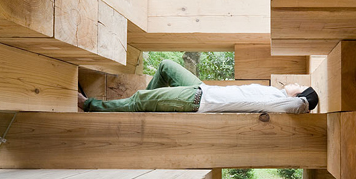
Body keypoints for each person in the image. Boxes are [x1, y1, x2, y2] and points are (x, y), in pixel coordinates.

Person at [78, 59, 319, 114]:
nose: (295, 82)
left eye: (300, 85)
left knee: (140, 99)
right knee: (166, 66)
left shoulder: (284, 104)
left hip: (199, 100)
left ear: (299, 94)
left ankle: (89, 106)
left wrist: (307, 98)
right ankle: (141, 109)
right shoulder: (274, 93)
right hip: (204, 88)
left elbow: (299, 106)